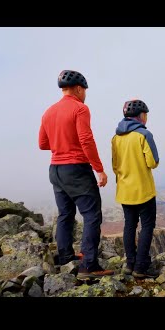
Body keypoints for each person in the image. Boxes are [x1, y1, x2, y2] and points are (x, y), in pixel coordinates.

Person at [39, 69, 114, 279]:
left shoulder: (48, 111)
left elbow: (43, 144)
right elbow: (86, 140)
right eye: (85, 91)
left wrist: (60, 142)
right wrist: (99, 169)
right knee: (92, 215)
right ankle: (89, 266)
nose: (85, 94)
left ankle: (65, 258)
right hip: (76, 169)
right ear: (79, 88)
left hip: (55, 170)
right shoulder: (80, 108)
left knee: (65, 214)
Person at [112, 99, 160, 279]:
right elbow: (153, 162)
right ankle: (141, 267)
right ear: (141, 116)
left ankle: (129, 264)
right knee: (147, 226)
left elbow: (115, 166)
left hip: (124, 191)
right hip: (143, 191)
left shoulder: (116, 137)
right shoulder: (144, 135)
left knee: (129, 225)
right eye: (145, 114)